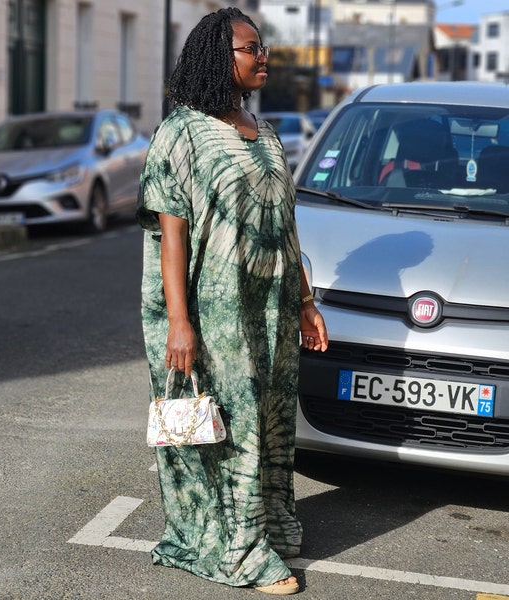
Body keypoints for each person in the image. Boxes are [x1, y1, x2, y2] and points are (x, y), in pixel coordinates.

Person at [137, 7, 328, 596]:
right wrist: (179, 322)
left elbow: (284, 224)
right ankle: (238, 550)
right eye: (251, 48)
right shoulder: (183, 132)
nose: (263, 55)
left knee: (270, 417)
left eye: (263, 46)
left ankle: (267, 521)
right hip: (214, 312)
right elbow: (170, 238)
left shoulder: (265, 132)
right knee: (232, 422)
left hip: (269, 304)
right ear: (221, 57)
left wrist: (304, 299)